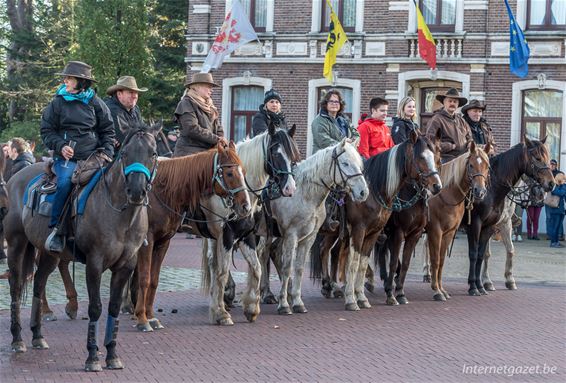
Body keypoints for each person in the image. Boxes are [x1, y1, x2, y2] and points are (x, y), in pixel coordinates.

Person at [41, 61, 115, 253]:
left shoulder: (96, 103)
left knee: (119, 180)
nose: (65, 80)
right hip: (67, 159)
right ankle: (58, 230)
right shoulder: (57, 103)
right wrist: (61, 146)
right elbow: (47, 131)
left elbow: (108, 131)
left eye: (69, 78)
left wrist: (107, 152)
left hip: (94, 157)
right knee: (65, 182)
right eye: (65, 77)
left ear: (81, 82)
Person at [173, 72, 227, 157]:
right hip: (189, 152)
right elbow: (191, 128)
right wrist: (216, 139)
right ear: (198, 87)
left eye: (211, 87)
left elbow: (218, 128)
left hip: (209, 151)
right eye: (209, 87)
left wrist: (221, 139)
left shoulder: (211, 106)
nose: (211, 90)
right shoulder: (186, 103)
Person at [426, 88, 471, 163]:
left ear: (458, 104)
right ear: (444, 102)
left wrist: (470, 143)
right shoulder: (436, 120)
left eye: (455, 102)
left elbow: (469, 137)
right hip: (445, 159)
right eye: (450, 101)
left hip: (463, 158)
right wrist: (450, 146)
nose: (452, 103)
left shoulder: (461, 120)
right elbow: (430, 142)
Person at [311, 89, 359, 154]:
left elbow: (355, 133)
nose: (334, 104)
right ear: (325, 104)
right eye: (331, 101)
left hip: (342, 157)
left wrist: (353, 142)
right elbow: (323, 141)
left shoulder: (345, 120)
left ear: (340, 104)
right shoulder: (319, 120)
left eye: (337, 102)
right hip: (324, 160)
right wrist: (343, 144)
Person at [104, 75, 147, 146]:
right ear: (119, 94)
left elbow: (143, 130)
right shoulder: (111, 109)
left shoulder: (135, 109)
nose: (135, 96)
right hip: (112, 153)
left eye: (136, 93)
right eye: (130, 92)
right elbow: (126, 137)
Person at [547, 173, 566, 248]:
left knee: (558, 227)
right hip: (555, 210)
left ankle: (556, 241)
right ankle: (553, 243)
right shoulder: (554, 186)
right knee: (554, 227)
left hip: (561, 210)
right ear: (560, 179)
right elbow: (560, 193)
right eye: (564, 179)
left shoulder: (562, 187)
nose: (565, 180)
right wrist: (564, 186)